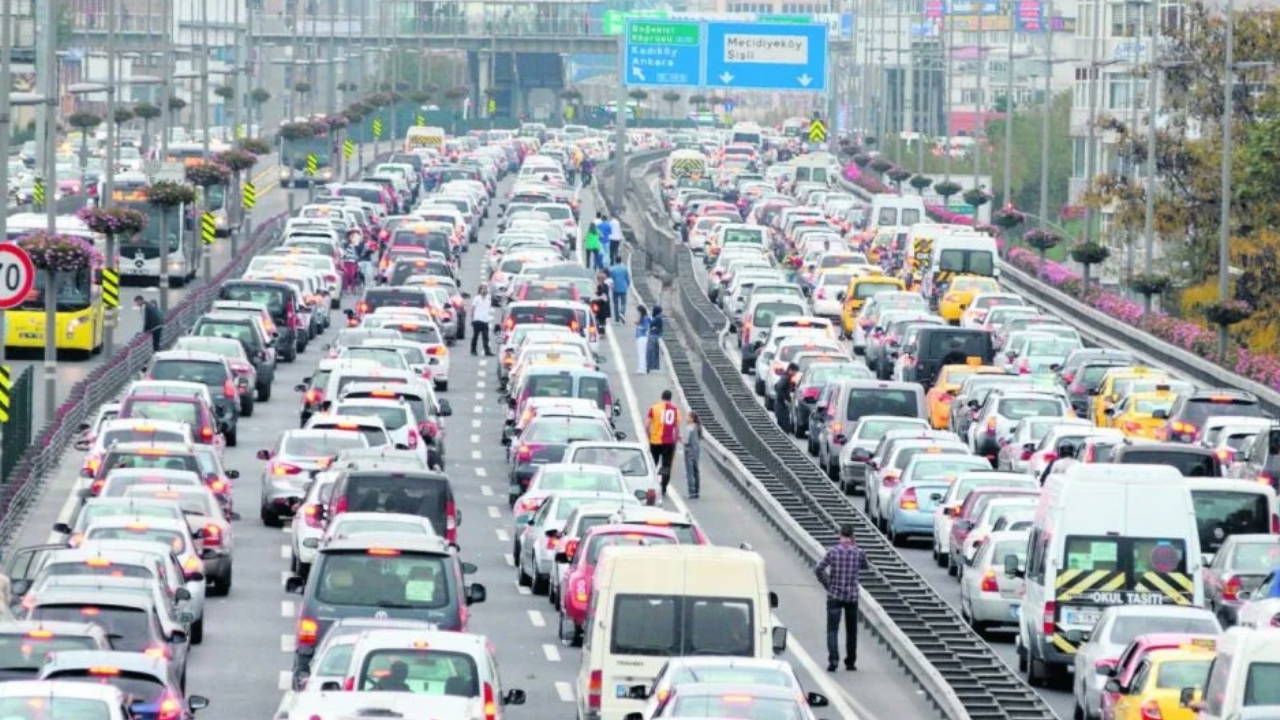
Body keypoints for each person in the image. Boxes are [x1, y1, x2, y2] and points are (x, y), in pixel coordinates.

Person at [815, 523, 867, 671]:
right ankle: (850, 662)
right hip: (852, 597)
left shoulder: (832, 552)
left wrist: (827, 584)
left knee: (832, 630)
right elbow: (865, 566)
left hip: (834, 596)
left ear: (840, 535)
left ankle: (834, 661)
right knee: (851, 631)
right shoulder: (859, 552)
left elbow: (818, 569)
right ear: (852, 536)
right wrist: (855, 547)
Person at [646, 390, 681, 496]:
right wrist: (675, 441)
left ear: (662, 397)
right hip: (669, 441)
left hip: (655, 441)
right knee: (666, 465)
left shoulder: (654, 408)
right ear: (670, 398)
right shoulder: (675, 410)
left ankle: (651, 484)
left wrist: (649, 437)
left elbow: (647, 425)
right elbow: (677, 428)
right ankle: (663, 487)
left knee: (653, 464)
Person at [469, 284, 494, 356]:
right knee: (475, 336)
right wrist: (472, 318)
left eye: (485, 289)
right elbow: (473, 309)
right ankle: (473, 350)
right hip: (477, 320)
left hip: (485, 321)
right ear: (479, 290)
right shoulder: (477, 298)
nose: (484, 290)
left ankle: (487, 351)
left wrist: (489, 318)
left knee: (486, 337)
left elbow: (488, 310)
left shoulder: (488, 300)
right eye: (482, 289)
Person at [774, 363, 800, 431]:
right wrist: (785, 399)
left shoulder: (787, 377)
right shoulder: (785, 377)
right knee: (785, 425)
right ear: (790, 370)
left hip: (781, 405)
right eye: (795, 372)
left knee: (783, 424)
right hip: (781, 405)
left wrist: (793, 387)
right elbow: (779, 387)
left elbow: (778, 386)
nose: (795, 374)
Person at [683, 411, 703, 499]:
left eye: (687, 417)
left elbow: (686, 441)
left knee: (689, 472)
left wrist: (680, 438)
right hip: (696, 451)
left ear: (691, 419)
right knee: (696, 471)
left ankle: (691, 491)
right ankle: (697, 491)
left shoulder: (689, 428)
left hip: (689, 451)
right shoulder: (697, 427)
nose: (686, 418)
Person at [646, 305, 664, 372]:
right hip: (657, 336)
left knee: (650, 352)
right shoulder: (659, 318)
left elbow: (651, 325)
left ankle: (648, 366)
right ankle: (652, 366)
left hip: (653, 336)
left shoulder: (657, 318)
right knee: (654, 352)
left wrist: (648, 319)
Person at [592, 273, 611, 338]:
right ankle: (602, 332)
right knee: (602, 319)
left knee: (600, 319)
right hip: (604, 305)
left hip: (601, 305)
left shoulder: (599, 286)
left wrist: (596, 295)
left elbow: (600, 295)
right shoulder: (606, 286)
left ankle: (601, 332)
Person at [635, 306, 650, 373]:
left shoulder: (645, 318)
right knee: (642, 353)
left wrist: (639, 326)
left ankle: (642, 368)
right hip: (641, 337)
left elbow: (646, 328)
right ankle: (643, 367)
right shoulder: (643, 318)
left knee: (642, 354)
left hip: (643, 337)